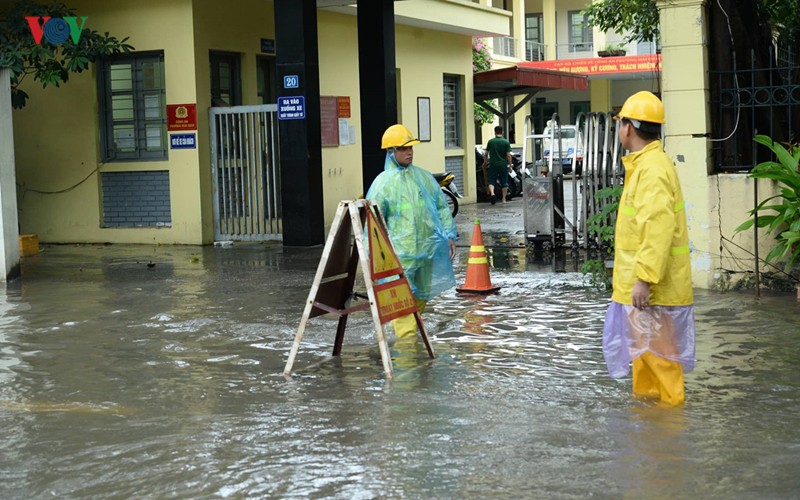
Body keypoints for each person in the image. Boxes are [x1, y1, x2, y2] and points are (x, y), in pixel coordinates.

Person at [602, 91, 696, 406]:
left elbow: (657, 228)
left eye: (620, 123)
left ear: (628, 127)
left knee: (661, 357)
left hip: (651, 289)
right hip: (643, 289)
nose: (619, 130)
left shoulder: (651, 168)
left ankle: (671, 427)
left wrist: (644, 278)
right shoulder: (645, 165)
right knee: (644, 356)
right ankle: (651, 427)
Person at [366, 124, 458, 339]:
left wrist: (449, 235)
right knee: (401, 300)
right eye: (403, 149)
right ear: (391, 152)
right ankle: (407, 352)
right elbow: (373, 224)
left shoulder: (423, 178)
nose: (409, 152)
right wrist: (374, 254)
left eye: (411, 148)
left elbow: (441, 207)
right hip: (400, 256)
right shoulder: (382, 184)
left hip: (426, 252)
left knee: (420, 296)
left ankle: (411, 338)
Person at [482, 126, 513, 204]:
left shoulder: (491, 142)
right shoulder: (506, 142)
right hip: (503, 164)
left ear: (495, 132)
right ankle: (503, 199)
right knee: (504, 182)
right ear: (502, 132)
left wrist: (485, 162)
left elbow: (486, 154)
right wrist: (510, 165)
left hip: (493, 164)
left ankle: (492, 193)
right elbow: (508, 155)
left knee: (491, 180)